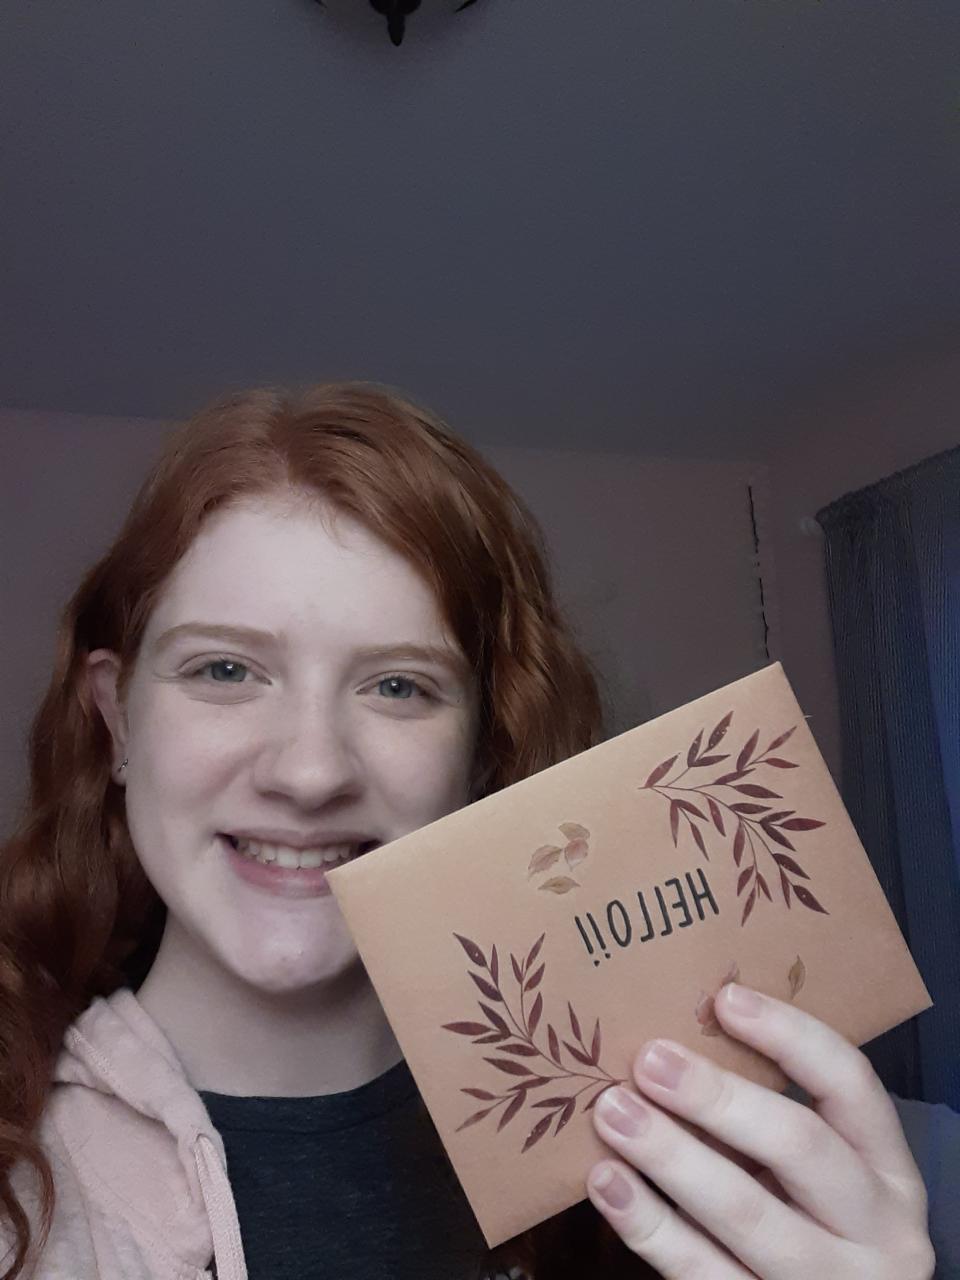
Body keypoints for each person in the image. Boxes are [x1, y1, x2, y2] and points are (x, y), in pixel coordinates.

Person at [0, 383, 946, 1280]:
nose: (310, 772)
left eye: (398, 686)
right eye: (225, 671)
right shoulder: (19, 1175)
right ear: (116, 723)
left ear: (483, 755)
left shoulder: (667, 1137)